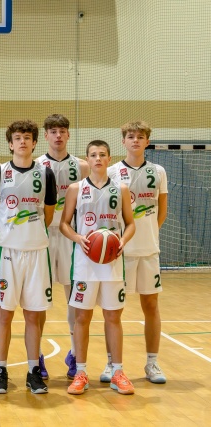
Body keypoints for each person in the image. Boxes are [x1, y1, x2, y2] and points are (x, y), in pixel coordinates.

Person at [0, 119, 57, 395]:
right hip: (7, 253)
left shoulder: (46, 174)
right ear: (10, 143)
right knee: (4, 314)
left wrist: (30, 234)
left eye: (27, 137)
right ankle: (1, 370)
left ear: (35, 142)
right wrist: (8, 237)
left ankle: (33, 371)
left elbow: (48, 215)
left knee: (32, 315)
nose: (23, 141)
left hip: (37, 252)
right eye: (18, 138)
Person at [60, 139, 136, 395]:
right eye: (93, 155)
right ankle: (80, 372)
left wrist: (123, 241)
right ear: (88, 159)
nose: (98, 159)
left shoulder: (121, 188)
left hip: (113, 262)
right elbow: (64, 223)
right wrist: (77, 238)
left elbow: (130, 223)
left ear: (109, 158)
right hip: (84, 263)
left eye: (102, 155)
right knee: (82, 317)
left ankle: (117, 372)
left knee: (113, 317)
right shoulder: (76, 188)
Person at [107, 121, 168, 384]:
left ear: (147, 142)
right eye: (130, 136)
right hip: (120, 251)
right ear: (123, 141)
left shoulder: (159, 171)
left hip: (149, 250)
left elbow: (162, 210)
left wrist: (149, 233)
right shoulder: (112, 172)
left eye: (140, 137)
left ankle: (152, 363)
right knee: (113, 310)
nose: (135, 140)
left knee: (151, 306)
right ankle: (112, 364)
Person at [35, 114, 89, 380]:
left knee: (74, 298)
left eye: (62, 131)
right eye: (53, 131)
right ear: (45, 135)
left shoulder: (82, 167)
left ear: (68, 134)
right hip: (42, 236)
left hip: (71, 236)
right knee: (38, 300)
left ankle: (75, 354)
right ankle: (37, 356)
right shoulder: (35, 165)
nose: (58, 135)